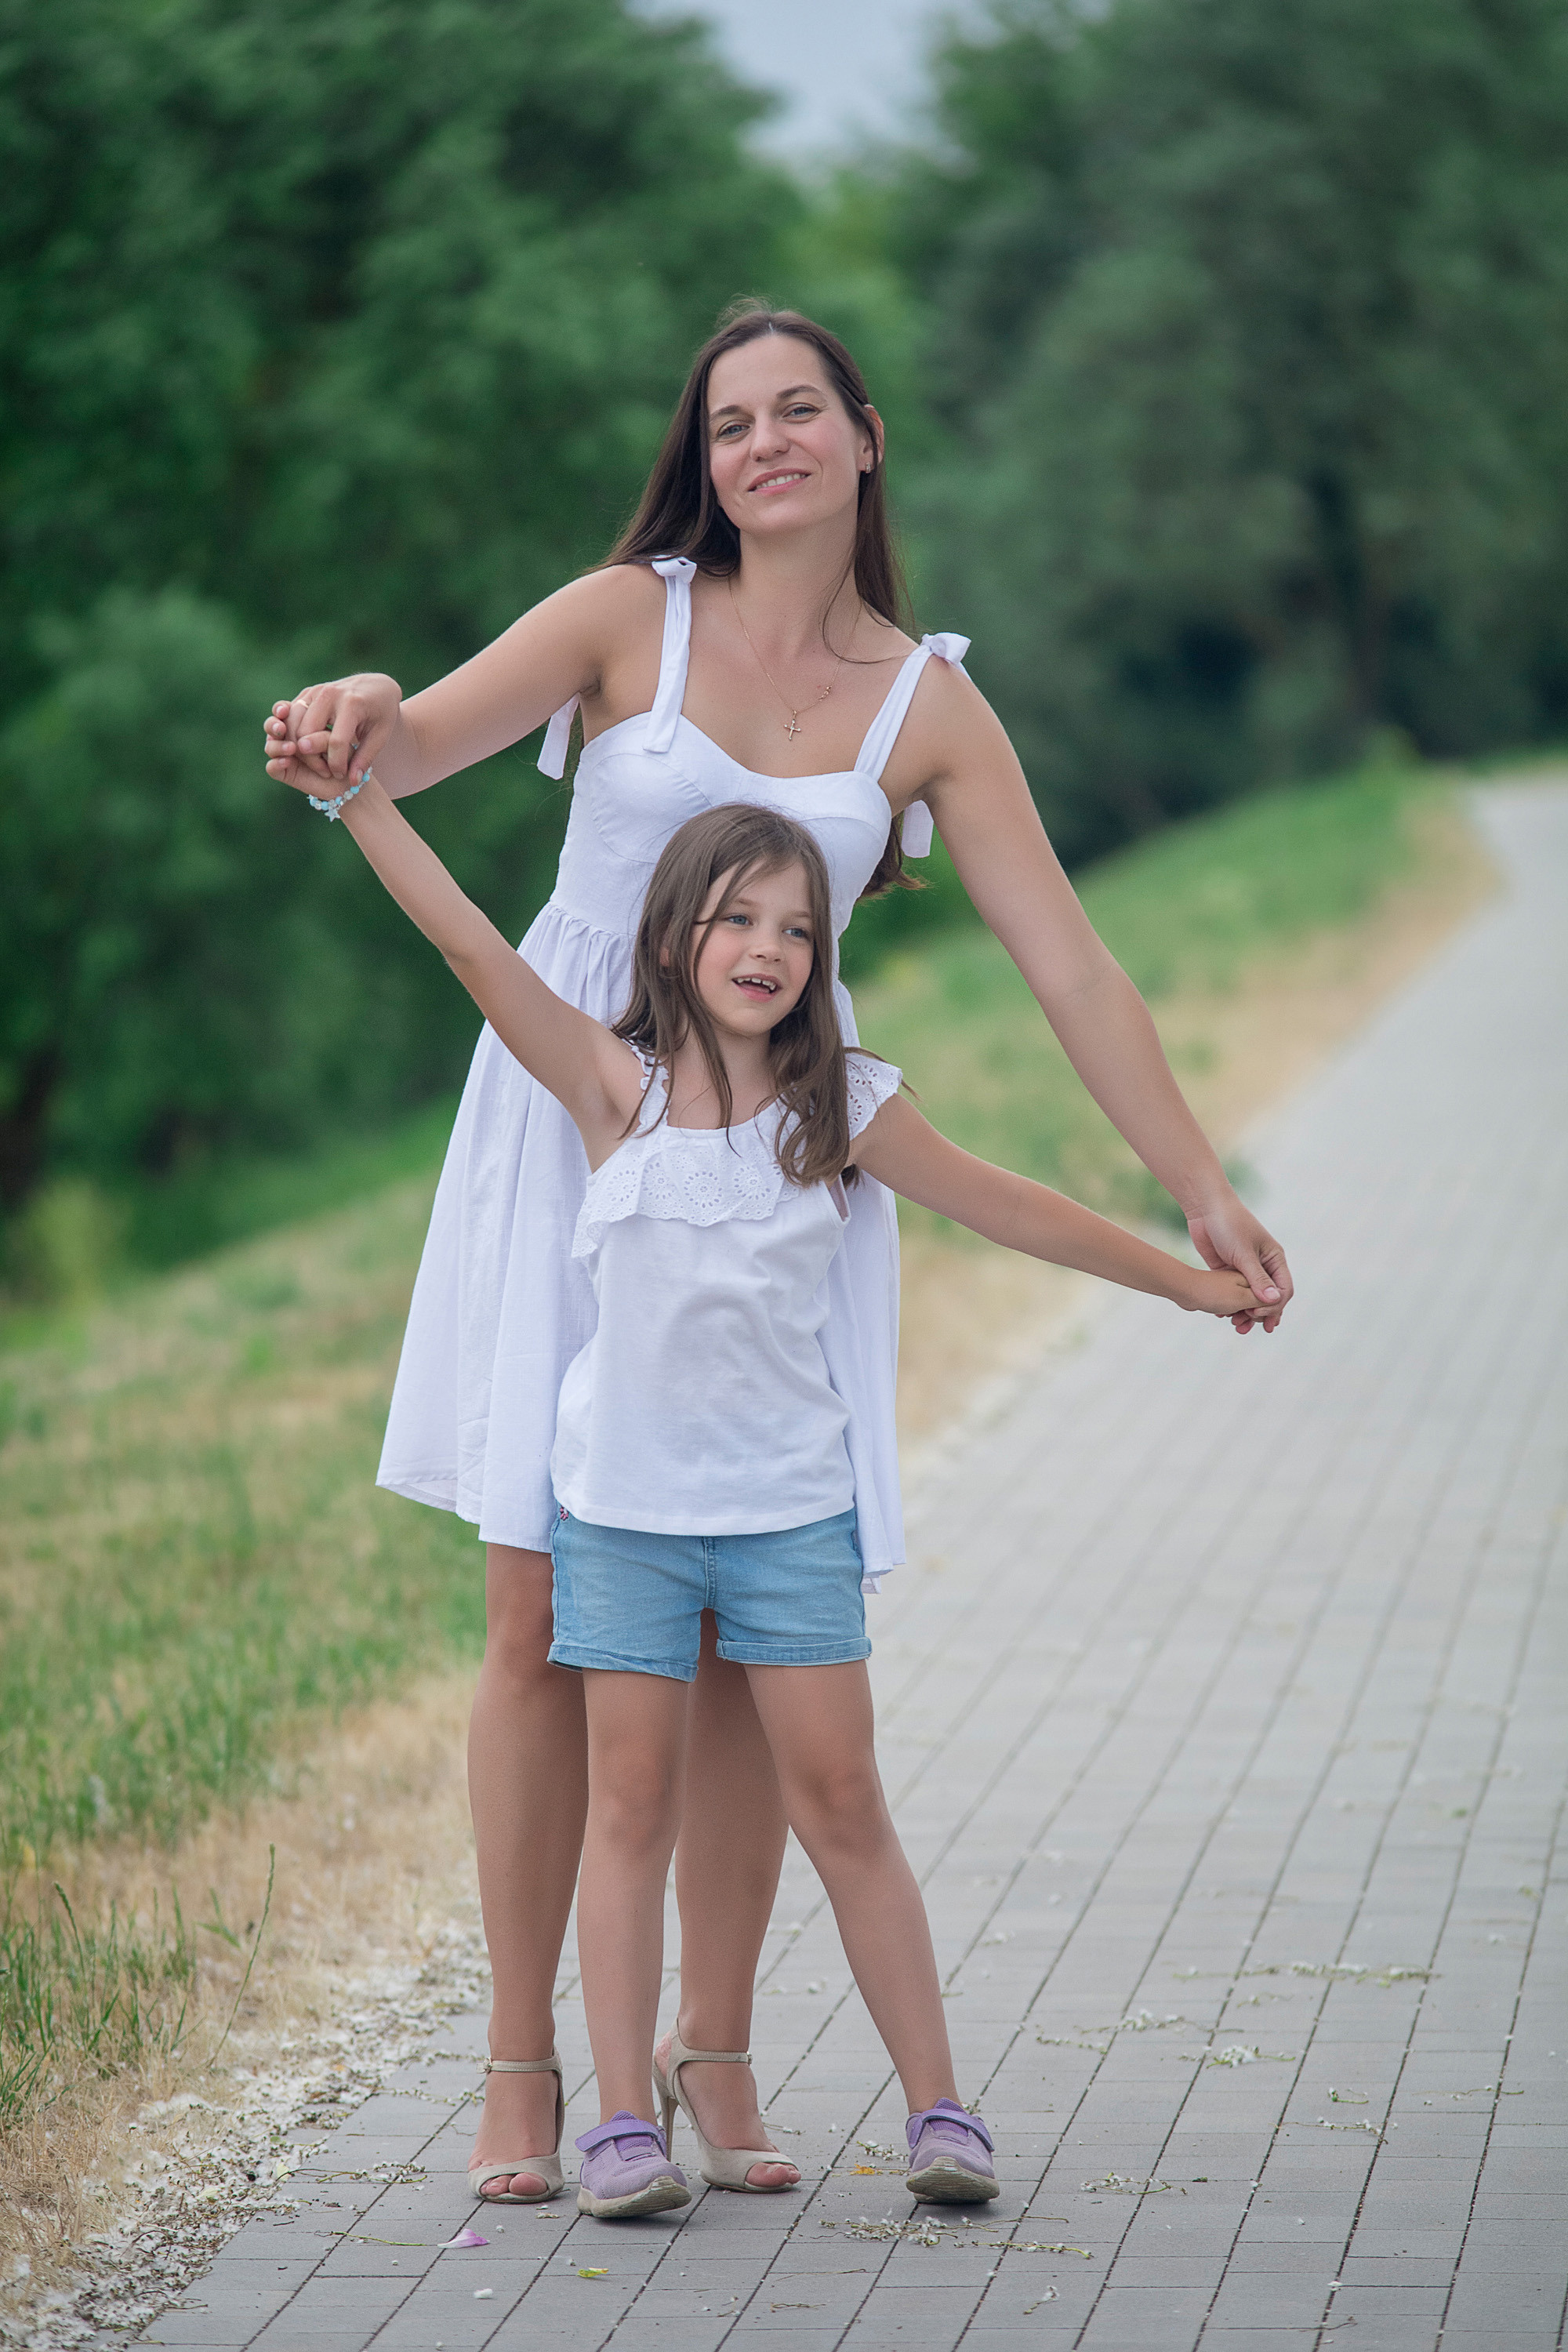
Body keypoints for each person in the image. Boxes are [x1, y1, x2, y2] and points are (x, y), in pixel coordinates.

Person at [263, 305, 1294, 2204]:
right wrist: (353, 701)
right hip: (573, 1105)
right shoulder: (616, 616)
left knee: (740, 1634)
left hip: (770, 1146)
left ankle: (712, 2058)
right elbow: (407, 750)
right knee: (534, 1614)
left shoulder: (930, 710)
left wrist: (1194, 1190)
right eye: (730, 421)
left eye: (798, 410)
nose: (764, 445)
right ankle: (524, 2071)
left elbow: (1068, 961)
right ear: (705, 455)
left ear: (866, 439)